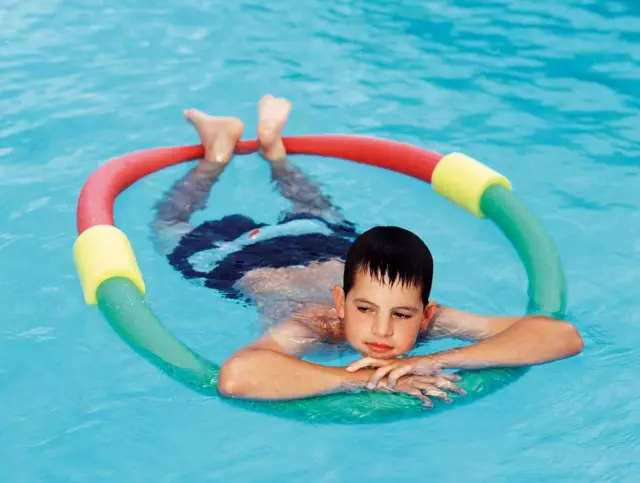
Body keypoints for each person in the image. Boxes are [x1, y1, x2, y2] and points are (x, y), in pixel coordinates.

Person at [151, 95, 583, 407]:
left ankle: (272, 148)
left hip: (324, 240)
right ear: (341, 303)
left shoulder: (429, 328)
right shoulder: (318, 323)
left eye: (402, 315)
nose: (382, 330)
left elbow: (560, 335)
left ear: (425, 314)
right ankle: (219, 154)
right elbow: (238, 375)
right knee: (169, 226)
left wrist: (433, 361)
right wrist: (368, 380)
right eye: (364, 309)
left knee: (313, 209)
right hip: (239, 260)